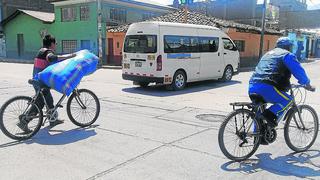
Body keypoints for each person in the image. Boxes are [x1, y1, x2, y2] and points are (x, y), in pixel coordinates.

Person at [248, 37, 315, 144]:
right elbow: (298, 71)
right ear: (288, 47)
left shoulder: (267, 54)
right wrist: (307, 84)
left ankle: (258, 136)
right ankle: (269, 115)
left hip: (253, 86)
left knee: (259, 110)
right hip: (268, 87)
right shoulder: (287, 55)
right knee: (287, 100)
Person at [17, 34, 76, 132]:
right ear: (52, 43)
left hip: (38, 80)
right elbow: (52, 58)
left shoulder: (41, 51)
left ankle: (52, 120)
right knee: (39, 104)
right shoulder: (47, 52)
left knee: (49, 100)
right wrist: (70, 56)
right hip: (41, 82)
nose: (55, 45)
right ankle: (24, 122)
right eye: (55, 43)